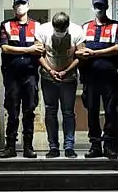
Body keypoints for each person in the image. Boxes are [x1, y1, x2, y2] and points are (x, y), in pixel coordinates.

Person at [77, 0, 118, 159]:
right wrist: (82, 53)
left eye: (101, 6)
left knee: (110, 110)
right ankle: (95, 145)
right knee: (92, 110)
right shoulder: (85, 27)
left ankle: (109, 145)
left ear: (106, 7)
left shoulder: (116, 26)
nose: (98, 9)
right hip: (90, 77)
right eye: (96, 6)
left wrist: (94, 53)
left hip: (108, 76)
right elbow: (80, 48)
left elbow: (117, 48)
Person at [0, 0, 44, 158]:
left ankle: (28, 147)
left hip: (30, 74)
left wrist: (24, 50)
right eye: (17, 4)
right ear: (13, 7)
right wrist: (28, 49)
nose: (20, 7)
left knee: (29, 110)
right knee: (13, 111)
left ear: (28, 6)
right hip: (12, 75)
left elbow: (40, 48)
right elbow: (5, 48)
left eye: (23, 3)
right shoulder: (7, 25)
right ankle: (10, 146)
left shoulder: (37, 26)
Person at [35, 12, 85, 158]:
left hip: (68, 78)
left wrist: (66, 71)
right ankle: (53, 147)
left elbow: (81, 55)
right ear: (53, 26)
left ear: (67, 27)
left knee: (68, 112)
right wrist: (50, 70)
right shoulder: (43, 30)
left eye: (62, 31)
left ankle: (69, 147)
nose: (59, 33)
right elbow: (38, 54)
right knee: (50, 111)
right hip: (48, 77)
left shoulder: (77, 31)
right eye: (57, 30)